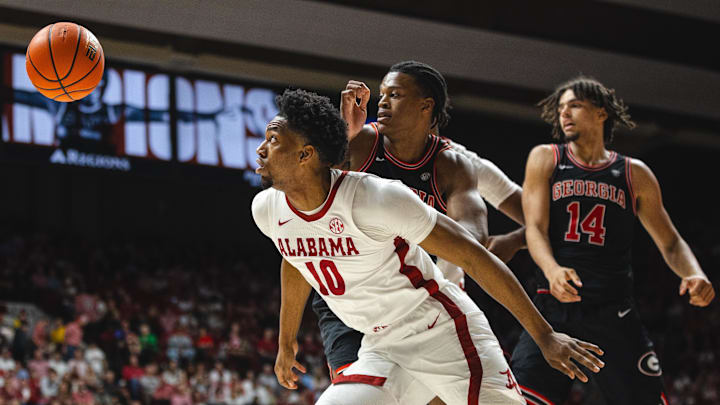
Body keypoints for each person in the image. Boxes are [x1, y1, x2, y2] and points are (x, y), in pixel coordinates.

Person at [251, 88, 604, 404]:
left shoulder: (375, 198)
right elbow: (295, 258)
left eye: (273, 139)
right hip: (383, 346)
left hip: (443, 335)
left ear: (305, 155)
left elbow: (473, 255)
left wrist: (544, 335)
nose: (260, 148)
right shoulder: (267, 209)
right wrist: (286, 342)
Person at [314, 60, 526, 404]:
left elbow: (474, 243)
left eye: (393, 95)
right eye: (381, 94)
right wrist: (343, 138)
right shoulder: (362, 143)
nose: (381, 102)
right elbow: (316, 212)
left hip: (429, 301)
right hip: (358, 294)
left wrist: (516, 239)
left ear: (426, 106)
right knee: (362, 394)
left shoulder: (454, 163)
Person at [511, 76, 716, 405]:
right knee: (518, 401)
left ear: (601, 112)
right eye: (561, 108)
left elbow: (671, 242)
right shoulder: (546, 158)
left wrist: (694, 273)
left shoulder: (635, 174)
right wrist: (551, 270)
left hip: (614, 314)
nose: (564, 114)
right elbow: (534, 228)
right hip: (554, 311)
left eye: (574, 106)